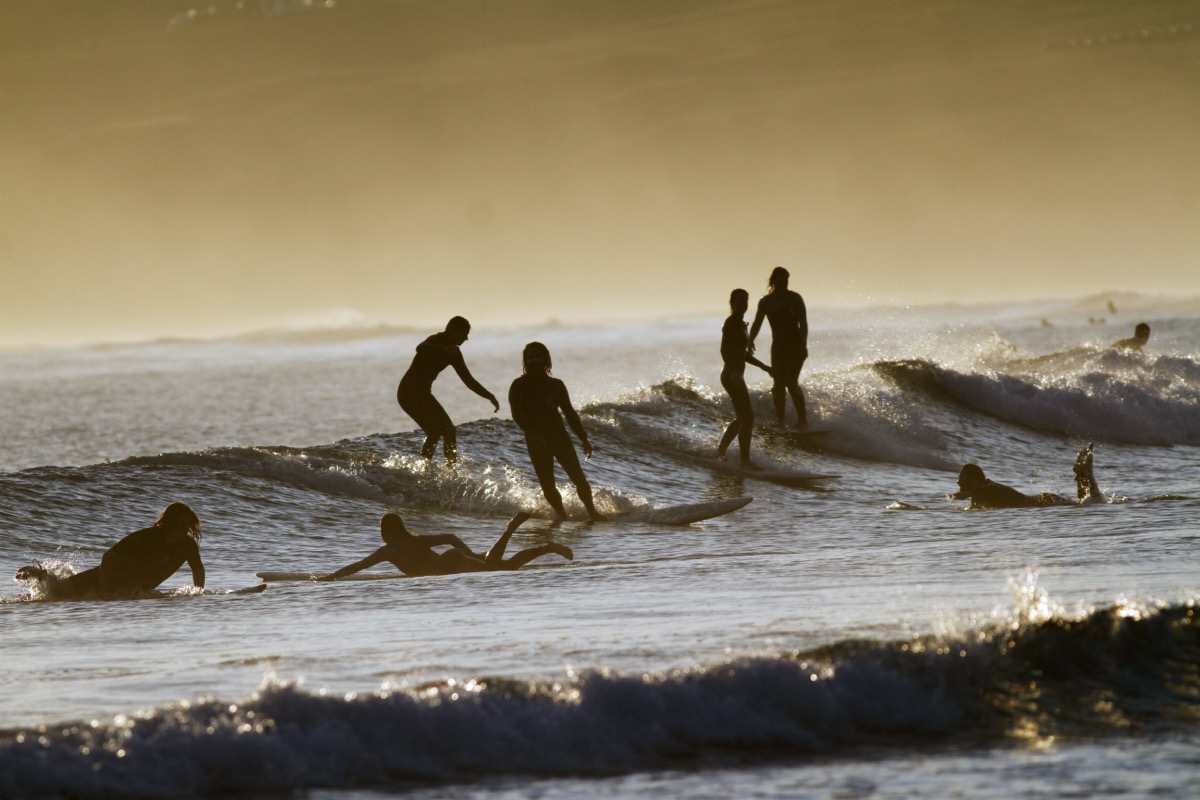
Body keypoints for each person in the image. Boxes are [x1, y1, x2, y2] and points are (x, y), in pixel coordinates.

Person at [14, 502, 205, 599]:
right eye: (181, 525)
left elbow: (198, 569)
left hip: (129, 590)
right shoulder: (149, 536)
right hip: (102, 578)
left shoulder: (187, 546)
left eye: (188, 526)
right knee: (57, 594)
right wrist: (105, 588)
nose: (185, 530)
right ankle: (39, 575)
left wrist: (199, 593)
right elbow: (109, 556)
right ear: (170, 523)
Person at [318, 511, 572, 579]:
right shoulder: (415, 540)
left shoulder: (389, 551)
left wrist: (330, 578)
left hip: (452, 563)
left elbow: (359, 566)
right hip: (454, 559)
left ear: (386, 532)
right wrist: (470, 553)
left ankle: (510, 529)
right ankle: (547, 548)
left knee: (495, 567)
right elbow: (450, 537)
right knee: (503, 566)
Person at [509, 342, 605, 520]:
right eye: (530, 357)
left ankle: (592, 512)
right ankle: (561, 514)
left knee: (578, 478)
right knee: (547, 484)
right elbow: (516, 414)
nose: (534, 360)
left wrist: (583, 438)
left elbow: (569, 413)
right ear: (525, 360)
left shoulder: (556, 385)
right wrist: (532, 433)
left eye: (538, 356)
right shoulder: (519, 385)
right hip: (536, 440)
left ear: (545, 359)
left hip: (560, 437)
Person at [397, 316, 500, 464]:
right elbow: (420, 347)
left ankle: (450, 470)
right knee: (434, 431)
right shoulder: (435, 340)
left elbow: (468, 380)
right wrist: (443, 350)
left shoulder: (455, 353)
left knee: (450, 431)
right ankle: (423, 469)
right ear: (452, 330)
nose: (466, 338)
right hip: (407, 393)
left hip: (424, 394)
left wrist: (489, 396)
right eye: (464, 333)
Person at [716, 288, 773, 467]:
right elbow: (724, 350)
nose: (743, 305)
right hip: (731, 375)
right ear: (732, 303)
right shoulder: (731, 323)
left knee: (742, 417)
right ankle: (744, 460)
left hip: (735, 375)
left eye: (746, 302)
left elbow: (744, 355)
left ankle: (720, 451)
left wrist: (764, 367)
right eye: (740, 302)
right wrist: (734, 372)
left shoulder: (741, 324)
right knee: (747, 417)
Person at [952, 444, 1103, 510]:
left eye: (961, 477)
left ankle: (1086, 472)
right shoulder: (984, 489)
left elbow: (981, 498)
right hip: (1043, 501)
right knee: (1086, 502)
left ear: (972, 480)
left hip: (1042, 503)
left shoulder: (984, 491)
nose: (958, 481)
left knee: (1092, 502)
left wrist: (970, 494)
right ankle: (1084, 473)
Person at [748, 266, 809, 427]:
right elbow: (756, 324)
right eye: (781, 281)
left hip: (796, 346)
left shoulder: (795, 298)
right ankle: (780, 421)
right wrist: (750, 340)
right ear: (773, 281)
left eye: (786, 281)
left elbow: (803, 323)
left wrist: (803, 345)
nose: (784, 284)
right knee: (778, 384)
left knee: (791, 381)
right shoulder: (766, 302)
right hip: (778, 347)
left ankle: (803, 420)